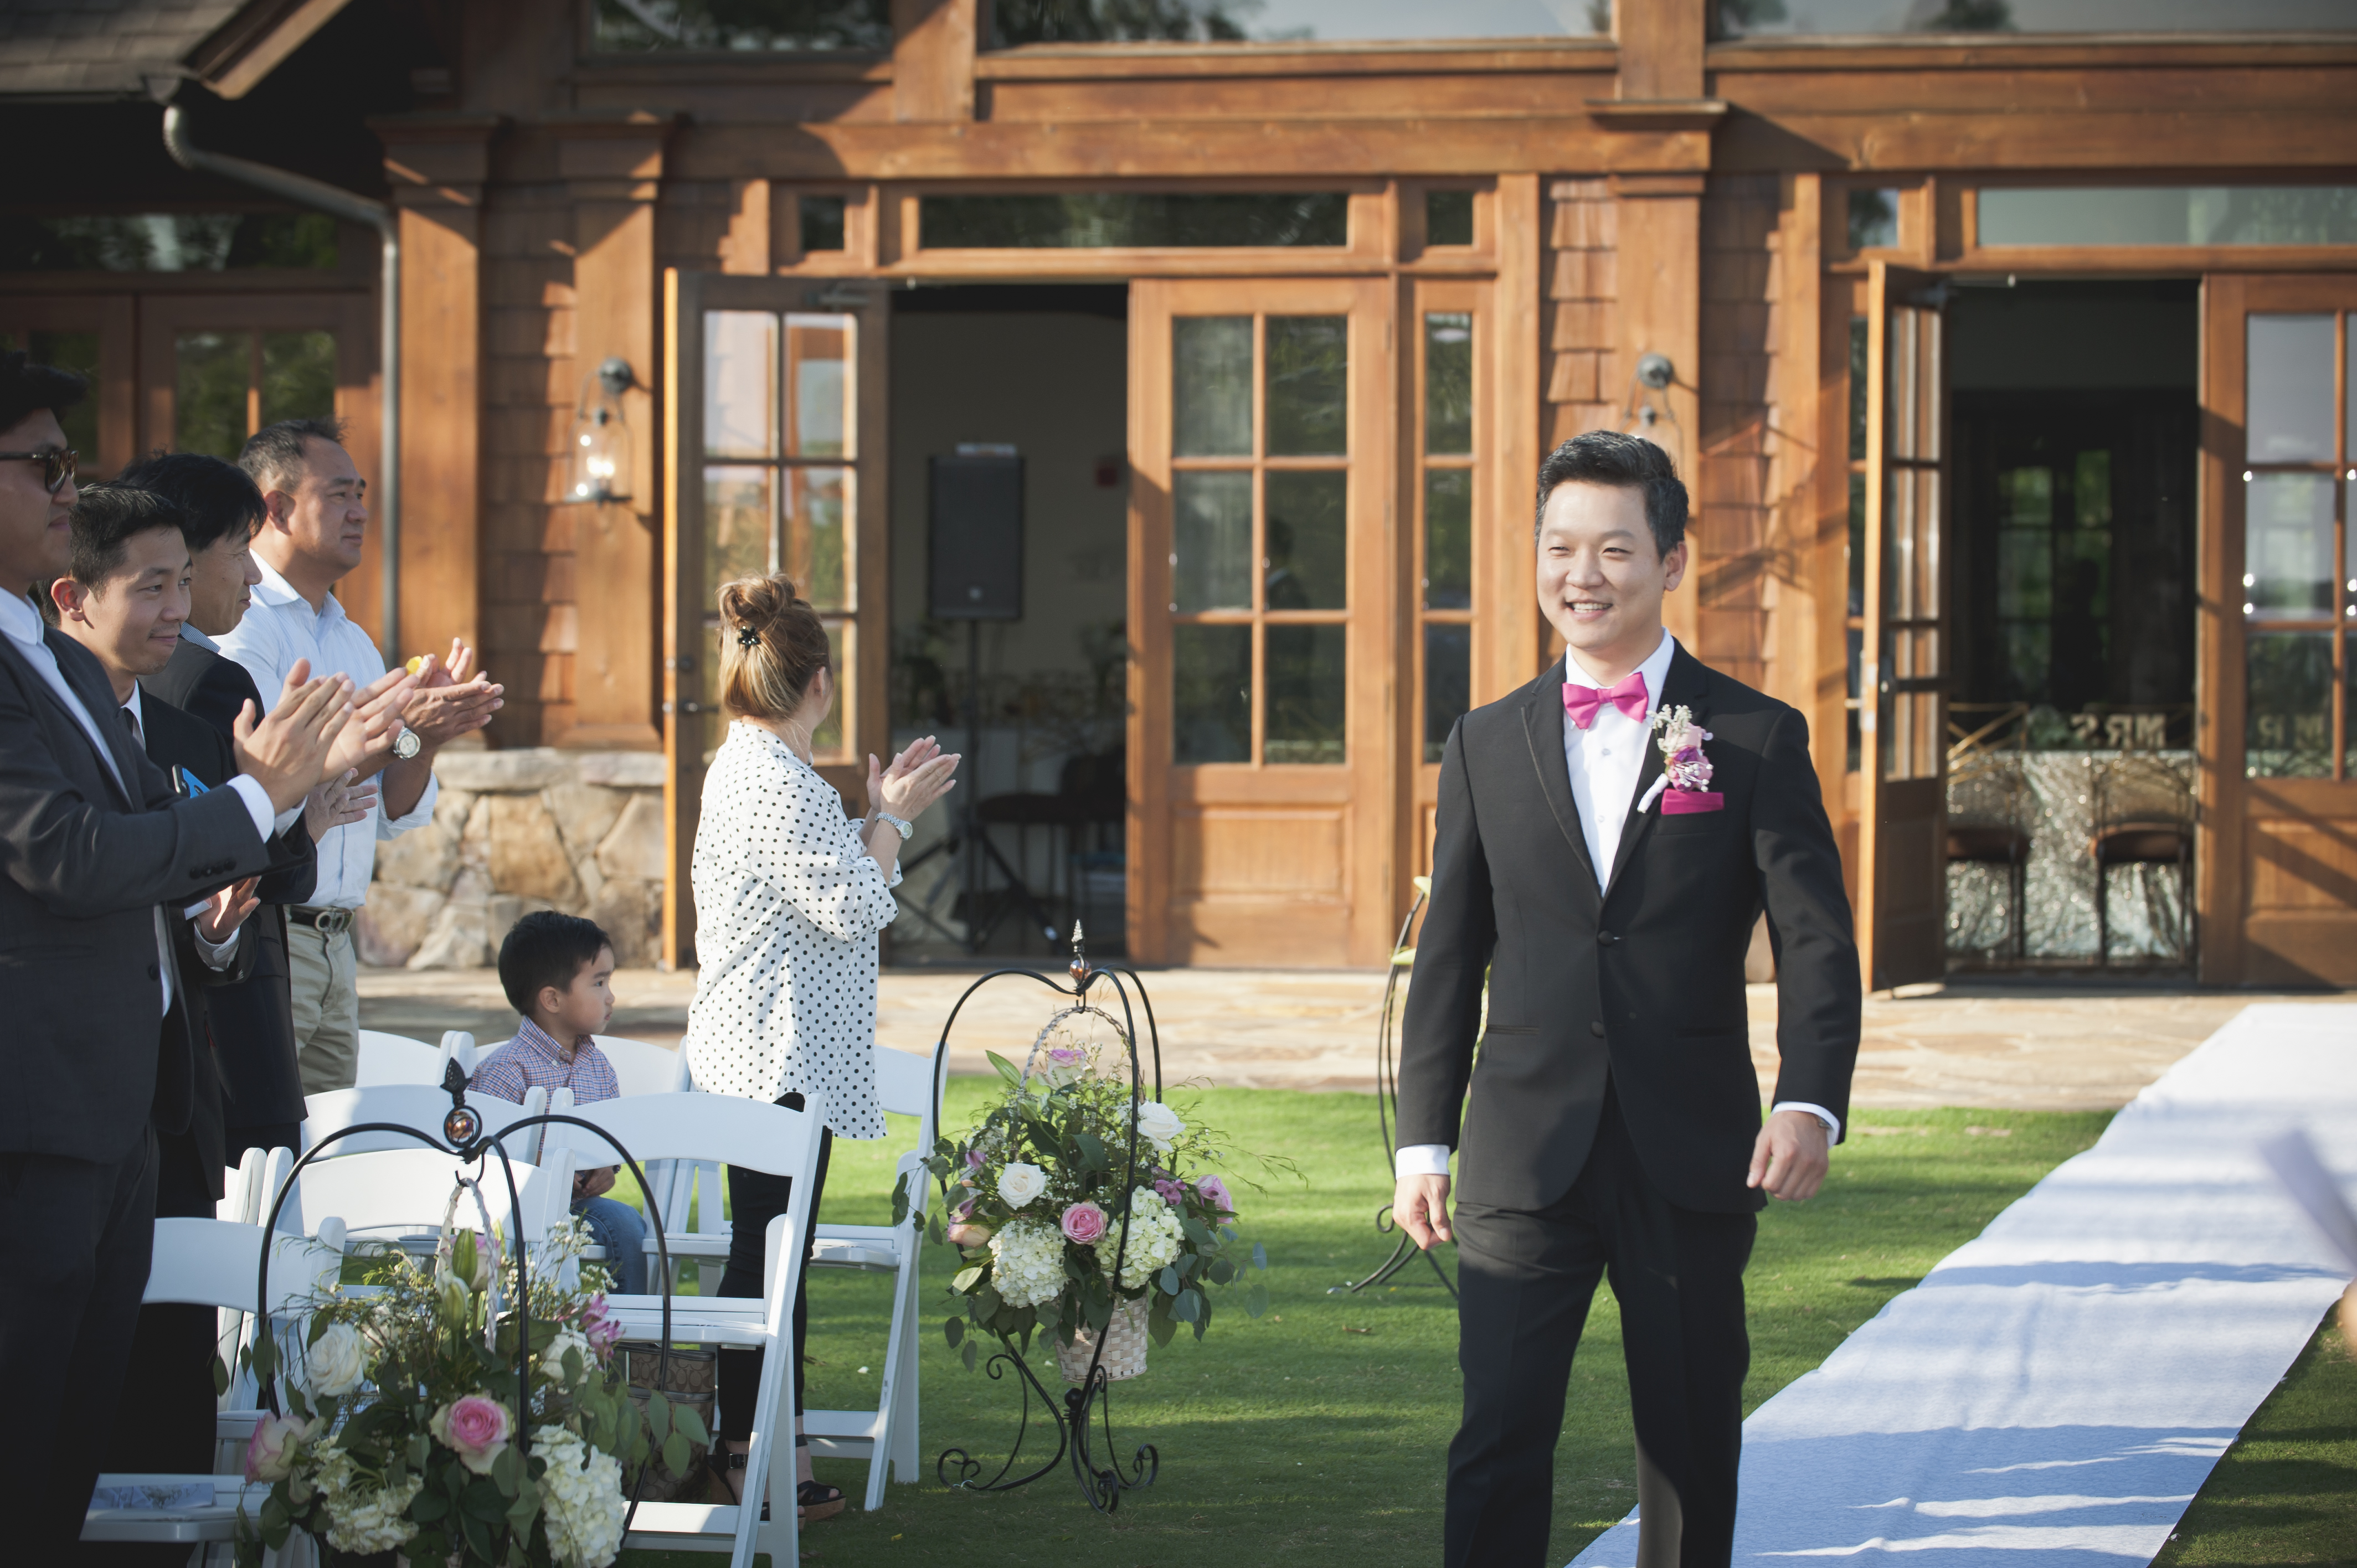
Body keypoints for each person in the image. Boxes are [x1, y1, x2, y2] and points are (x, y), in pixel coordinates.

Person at [1393, 431, 1861, 1568]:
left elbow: (1814, 941)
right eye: (1560, 548)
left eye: (1612, 547)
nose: (1582, 575)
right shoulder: (1482, 741)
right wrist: (1421, 1146)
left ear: (1670, 560)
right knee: (1497, 1435)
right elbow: (1449, 953)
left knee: (1690, 1439)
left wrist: (1810, 1101)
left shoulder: (1752, 735)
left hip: (1692, 1146)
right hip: (1521, 1148)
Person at [0, 352, 352, 1555]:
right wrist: (261, 802)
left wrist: (282, 804)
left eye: (66, 460)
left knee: (73, 1458)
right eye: (42, 463)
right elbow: (71, 857)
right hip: (33, 1127)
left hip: (127, 1119)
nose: (65, 482)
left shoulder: (54, 668)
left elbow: (158, 832)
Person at [683, 573, 959, 1524]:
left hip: (776, 1046)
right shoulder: (767, 775)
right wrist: (890, 817)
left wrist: (883, 812)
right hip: (770, 1052)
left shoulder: (768, 771)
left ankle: (768, 1442)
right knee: (766, 1256)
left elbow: (836, 875)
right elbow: (856, 900)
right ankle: (750, 1449)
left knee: (775, 1252)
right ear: (820, 684)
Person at [218, 417, 504, 1094]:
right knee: (263, 1154)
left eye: (362, 493)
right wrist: (393, 731)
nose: (361, 512)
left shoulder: (352, 640)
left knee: (327, 1156)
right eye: (340, 495)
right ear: (276, 508)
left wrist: (422, 739)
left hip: (336, 940)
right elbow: (268, 791)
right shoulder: (240, 625)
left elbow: (388, 814)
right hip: (268, 928)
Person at [128, 450, 395, 1161]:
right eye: (240, 551)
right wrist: (317, 769)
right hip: (228, 1006)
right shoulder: (207, 682)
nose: (252, 572)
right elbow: (228, 863)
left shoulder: (135, 679)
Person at [470, 910, 649, 1294]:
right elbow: (484, 1159)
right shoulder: (505, 1070)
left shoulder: (599, 1067)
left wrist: (606, 1170)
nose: (611, 996)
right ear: (552, 999)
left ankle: (628, 1344)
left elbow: (609, 1140)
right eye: (598, 983)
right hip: (512, 1212)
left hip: (574, 1209)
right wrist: (545, 1173)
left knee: (626, 1223)